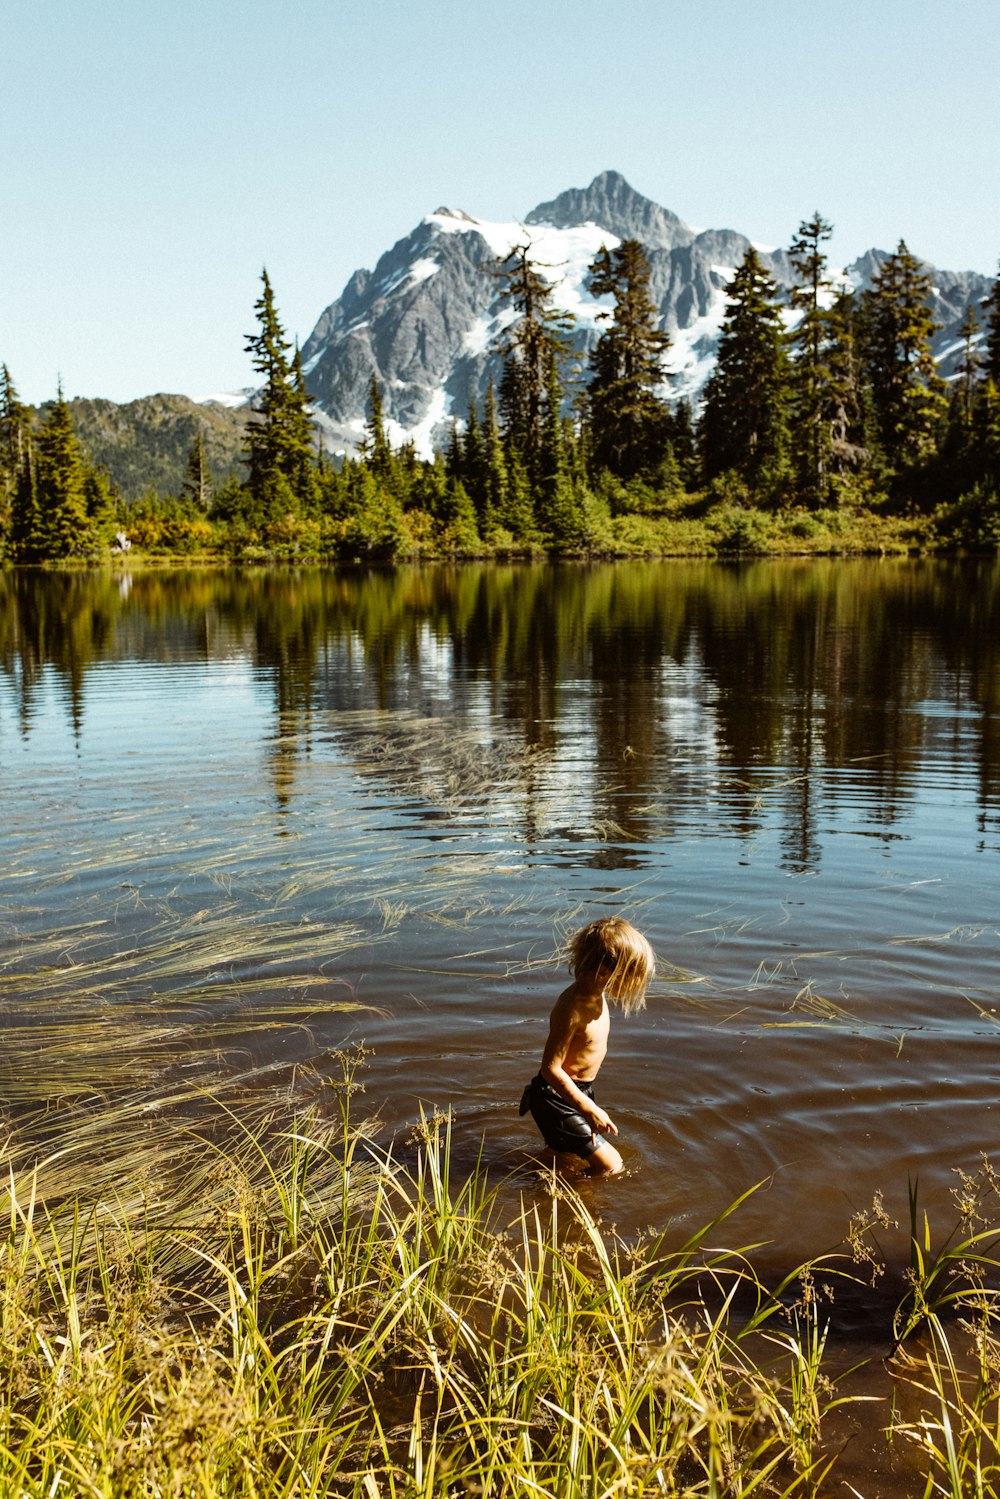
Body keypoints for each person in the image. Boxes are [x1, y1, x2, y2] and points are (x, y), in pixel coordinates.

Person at [520, 917, 655, 1175]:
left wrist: (586, 1101)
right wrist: (588, 1107)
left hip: (578, 1092)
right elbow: (550, 1069)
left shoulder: (596, 995)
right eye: (629, 975)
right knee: (612, 1165)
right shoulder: (571, 1008)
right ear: (604, 971)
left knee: (564, 1159)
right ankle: (578, 1203)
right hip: (554, 1096)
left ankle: (544, 1189)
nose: (630, 984)